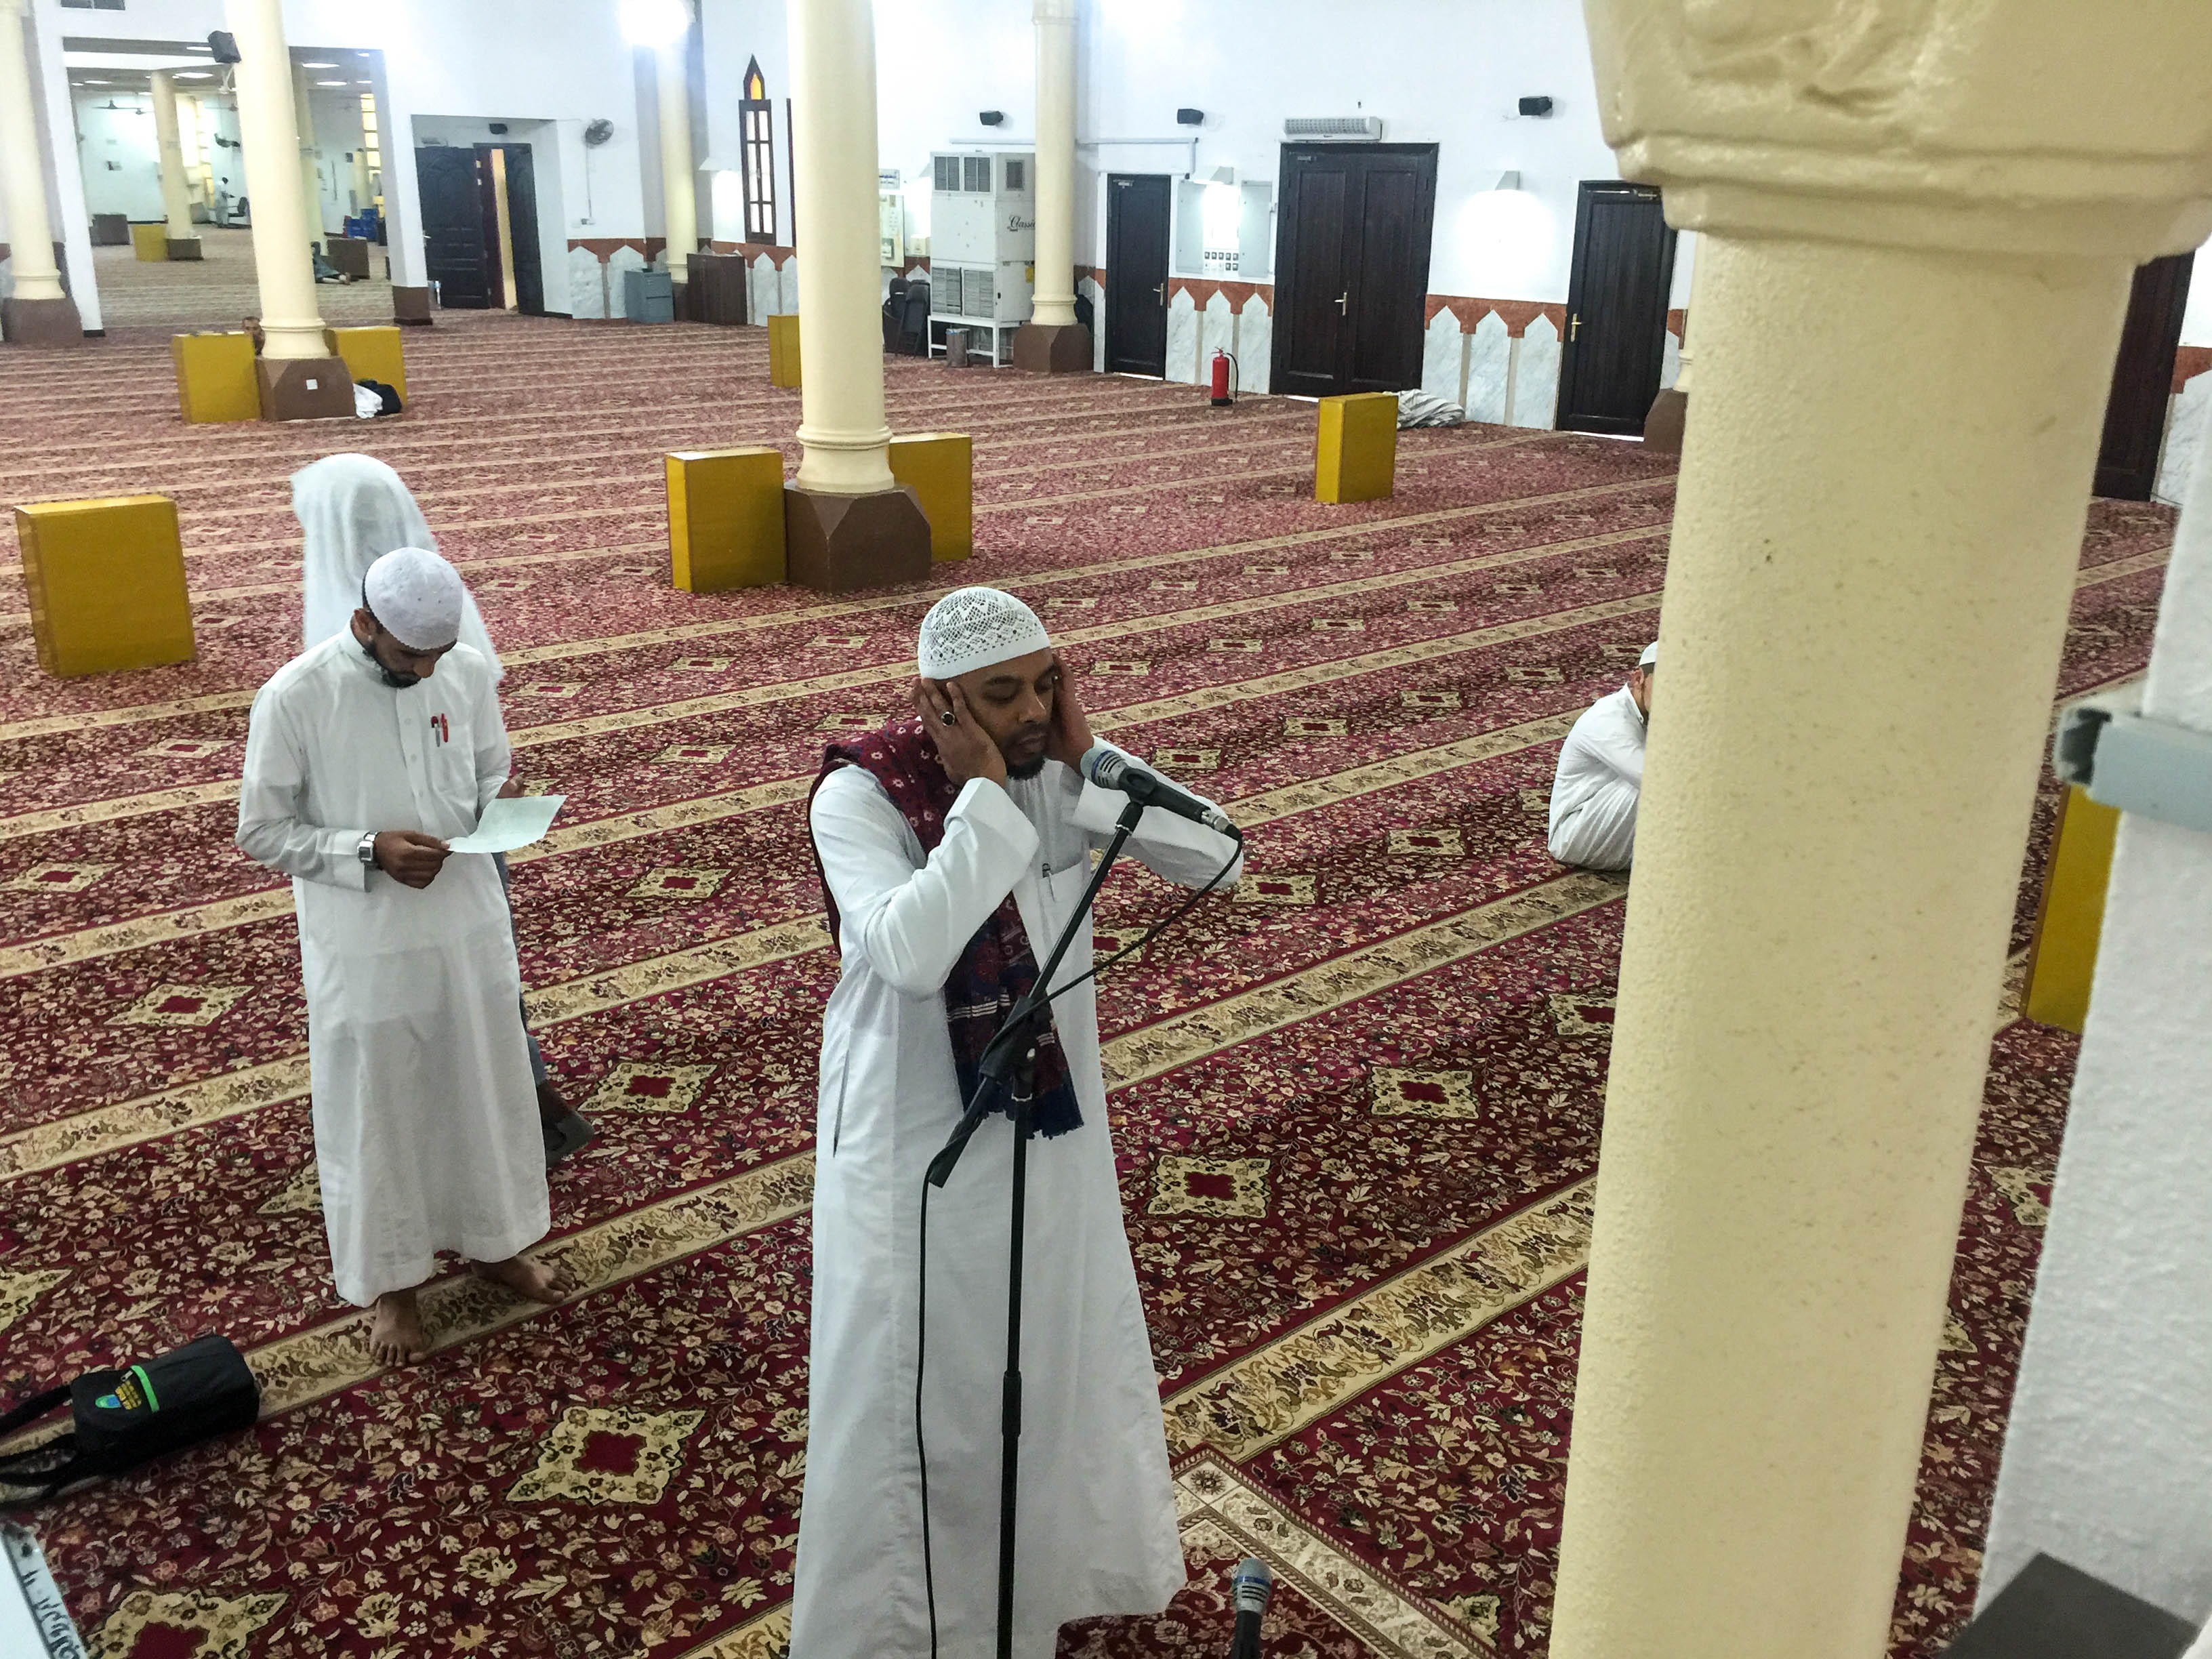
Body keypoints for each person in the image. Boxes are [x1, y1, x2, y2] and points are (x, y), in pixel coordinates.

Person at [791, 586, 1244, 1658]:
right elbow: (910, 955)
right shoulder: (861, 796)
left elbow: (1221, 862)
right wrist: (986, 800)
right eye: (1004, 695)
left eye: (1048, 685)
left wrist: (1092, 757)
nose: (1032, 711)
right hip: (919, 1150)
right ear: (939, 702)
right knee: (922, 1397)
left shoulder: (1059, 773)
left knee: (1034, 1373)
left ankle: (1020, 1608)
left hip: (1043, 1134)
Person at [237, 546, 572, 1368]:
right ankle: (393, 1286)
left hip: (467, 926)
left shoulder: (463, 672)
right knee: (382, 1106)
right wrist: (367, 849)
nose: (426, 671)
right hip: (367, 942)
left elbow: (489, 770)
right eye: (409, 655)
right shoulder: (295, 696)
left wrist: (497, 811)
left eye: (437, 654)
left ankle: (496, 1244)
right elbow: (262, 830)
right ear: (363, 624)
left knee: (482, 1084)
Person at [291, 453, 593, 1168]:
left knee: (459, 979)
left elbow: (481, 749)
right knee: (470, 981)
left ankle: (513, 1105)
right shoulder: (338, 653)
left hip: (423, 848)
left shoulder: (411, 612)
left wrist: (491, 800)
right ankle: (508, 1102)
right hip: (412, 848)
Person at [1547, 641, 1656, 871]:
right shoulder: (1608, 718)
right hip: (1575, 831)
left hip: (1609, 817)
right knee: (1659, 784)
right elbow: (1655, 781)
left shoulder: (1654, 715)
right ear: (1639, 678)